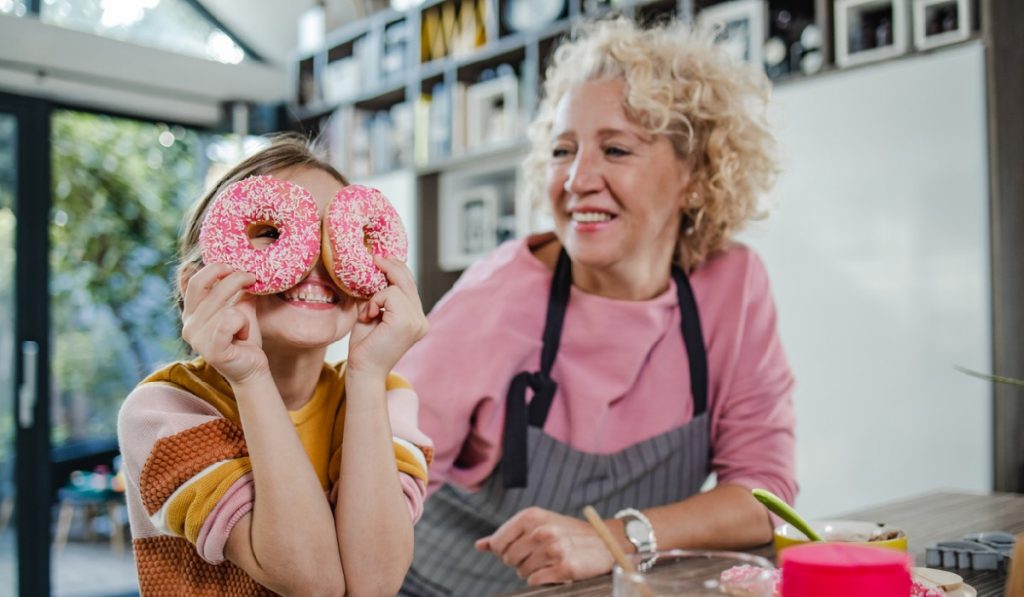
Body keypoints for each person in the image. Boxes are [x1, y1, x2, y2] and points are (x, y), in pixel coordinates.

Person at [398, 17, 796, 596]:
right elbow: (376, 474)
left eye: (615, 149)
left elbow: (766, 493)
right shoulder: (497, 296)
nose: (578, 178)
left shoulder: (731, 286)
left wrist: (617, 538)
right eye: (563, 150)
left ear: (695, 176)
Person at [117, 135, 432, 596]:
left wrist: (366, 376)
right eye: (271, 233)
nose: (317, 260)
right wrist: (250, 374)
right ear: (195, 284)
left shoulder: (388, 396)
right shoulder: (163, 411)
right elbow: (312, 582)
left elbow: (374, 585)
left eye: (338, 237)